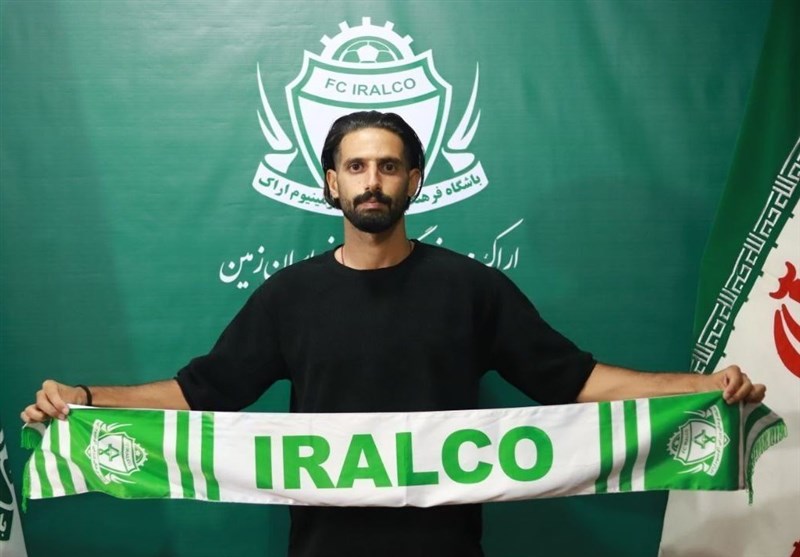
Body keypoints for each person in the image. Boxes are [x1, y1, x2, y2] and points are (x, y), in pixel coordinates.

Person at [21, 111, 766, 557]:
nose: (371, 180)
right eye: (355, 167)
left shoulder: (471, 287)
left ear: (415, 180)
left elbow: (574, 379)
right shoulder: (289, 295)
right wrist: (85, 397)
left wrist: (704, 387)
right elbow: (200, 392)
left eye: (387, 166)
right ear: (331, 184)